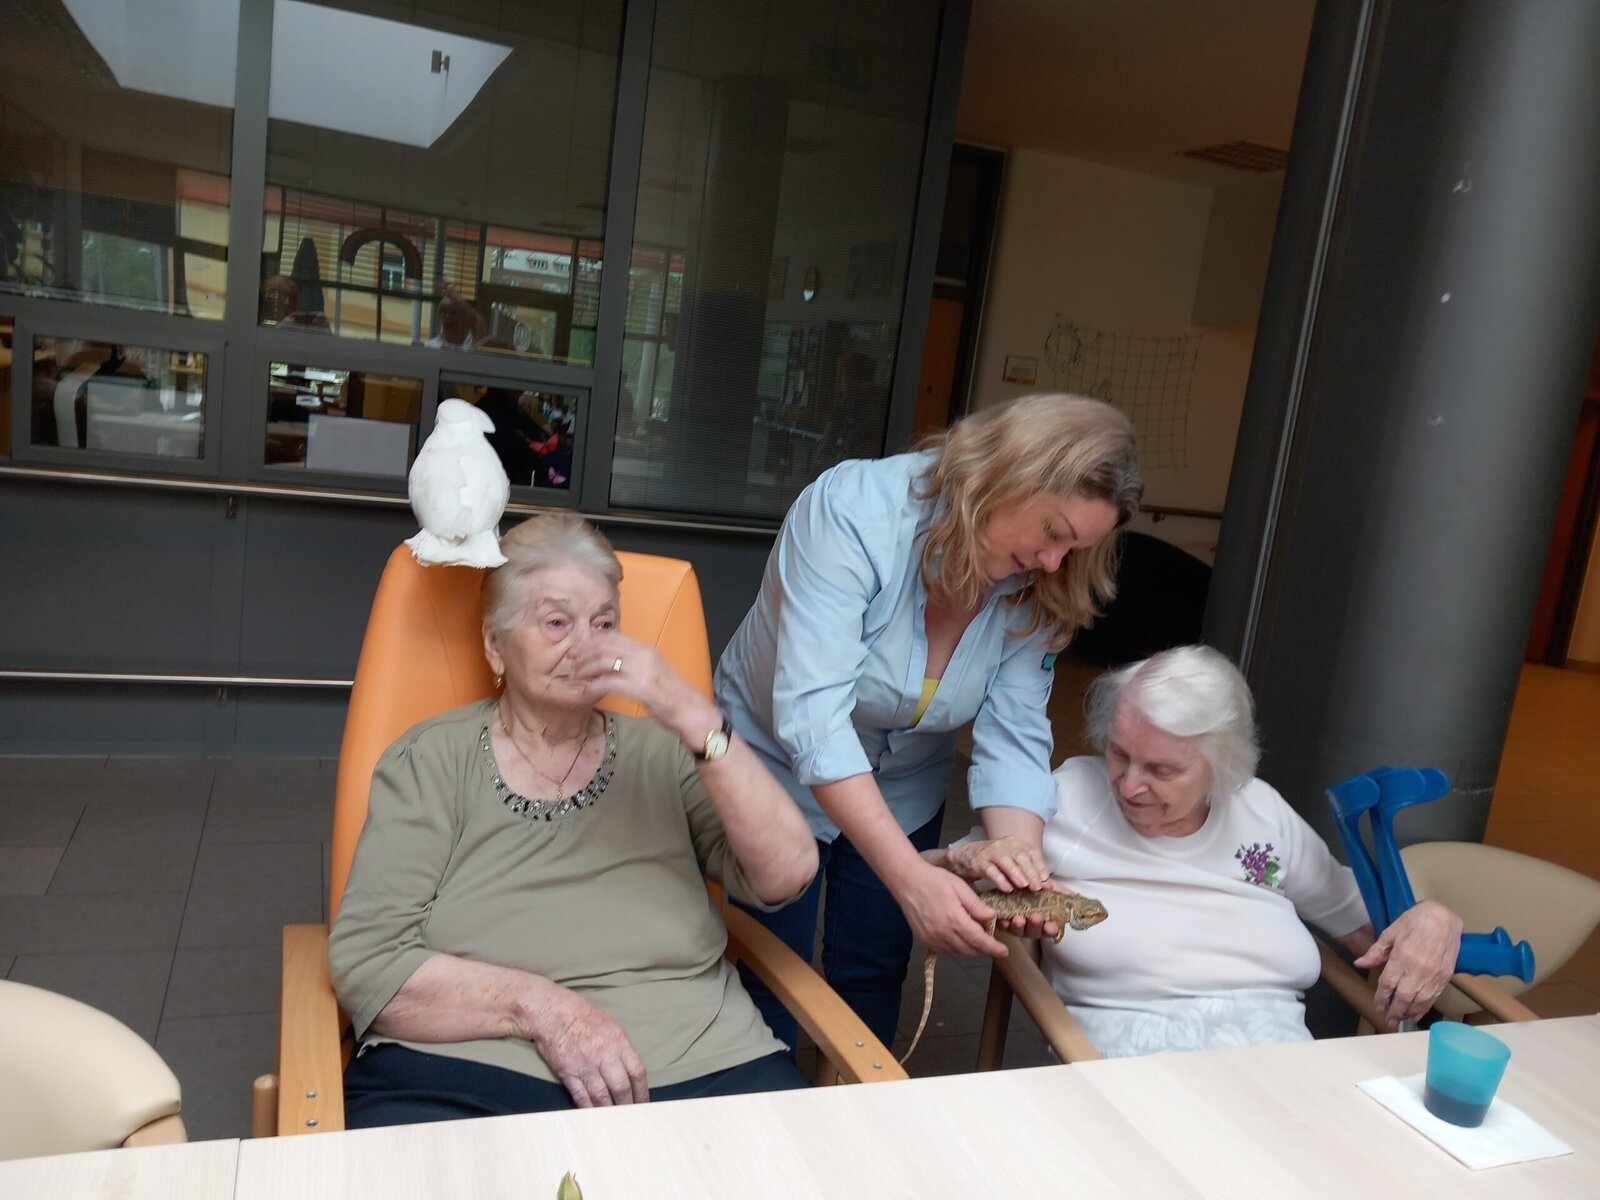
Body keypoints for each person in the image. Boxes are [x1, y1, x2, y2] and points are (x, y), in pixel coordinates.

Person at [329, 514, 819, 1126]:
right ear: (494, 645)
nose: (588, 647)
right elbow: (368, 961)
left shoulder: (667, 753)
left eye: (604, 624)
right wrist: (542, 1009)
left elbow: (788, 874)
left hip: (698, 1065)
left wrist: (691, 714)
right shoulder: (433, 760)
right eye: (557, 623)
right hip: (467, 1074)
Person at [714, 393, 1144, 1051]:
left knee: (873, 968)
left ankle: (860, 1105)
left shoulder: (1045, 579)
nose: (1056, 562)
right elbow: (815, 719)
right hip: (773, 765)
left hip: (903, 780)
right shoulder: (853, 512)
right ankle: (757, 1106)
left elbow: (1015, 732)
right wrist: (912, 879)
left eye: (1076, 547)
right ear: (1009, 475)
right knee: (771, 973)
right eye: (1054, 532)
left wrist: (1017, 864)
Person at [929, 645, 1465, 1057]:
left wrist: (1431, 918)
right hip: (1129, 1071)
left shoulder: (1261, 811)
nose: (1129, 785)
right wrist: (957, 861)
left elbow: (1369, 925)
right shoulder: (1067, 799)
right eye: (1119, 753)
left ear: (1222, 765)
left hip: (1282, 1070)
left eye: (1161, 769)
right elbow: (928, 885)